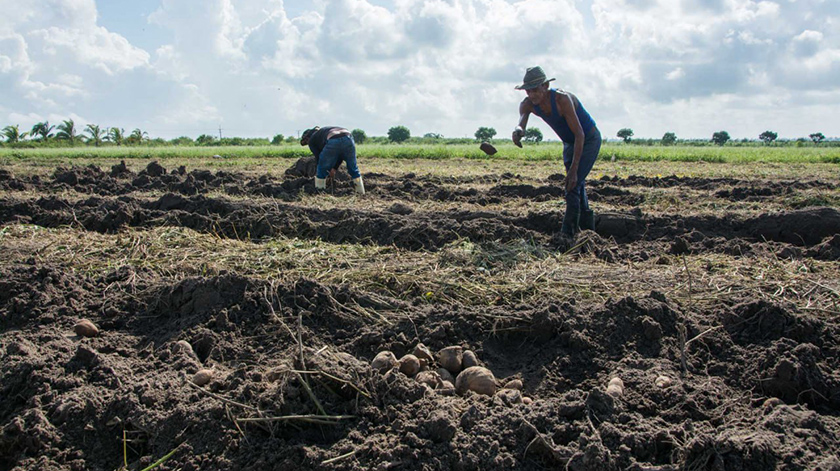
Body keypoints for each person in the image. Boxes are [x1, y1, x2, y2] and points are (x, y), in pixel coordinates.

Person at [513, 66, 601, 238]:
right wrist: (517, 132)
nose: (532, 95)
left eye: (535, 90)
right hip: (569, 143)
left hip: (588, 140)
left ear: (545, 86)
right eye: (528, 91)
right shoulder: (528, 104)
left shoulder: (562, 100)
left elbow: (579, 134)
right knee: (576, 184)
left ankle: (567, 235)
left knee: (573, 184)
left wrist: (574, 169)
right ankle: (587, 231)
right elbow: (521, 123)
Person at [300, 126, 364, 195]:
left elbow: (319, 158)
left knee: (321, 168)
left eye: (306, 141)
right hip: (348, 138)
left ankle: (319, 192)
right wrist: (334, 168)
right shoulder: (324, 132)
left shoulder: (312, 140)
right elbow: (340, 155)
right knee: (353, 168)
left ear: (307, 138)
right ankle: (361, 192)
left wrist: (321, 171)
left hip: (333, 139)